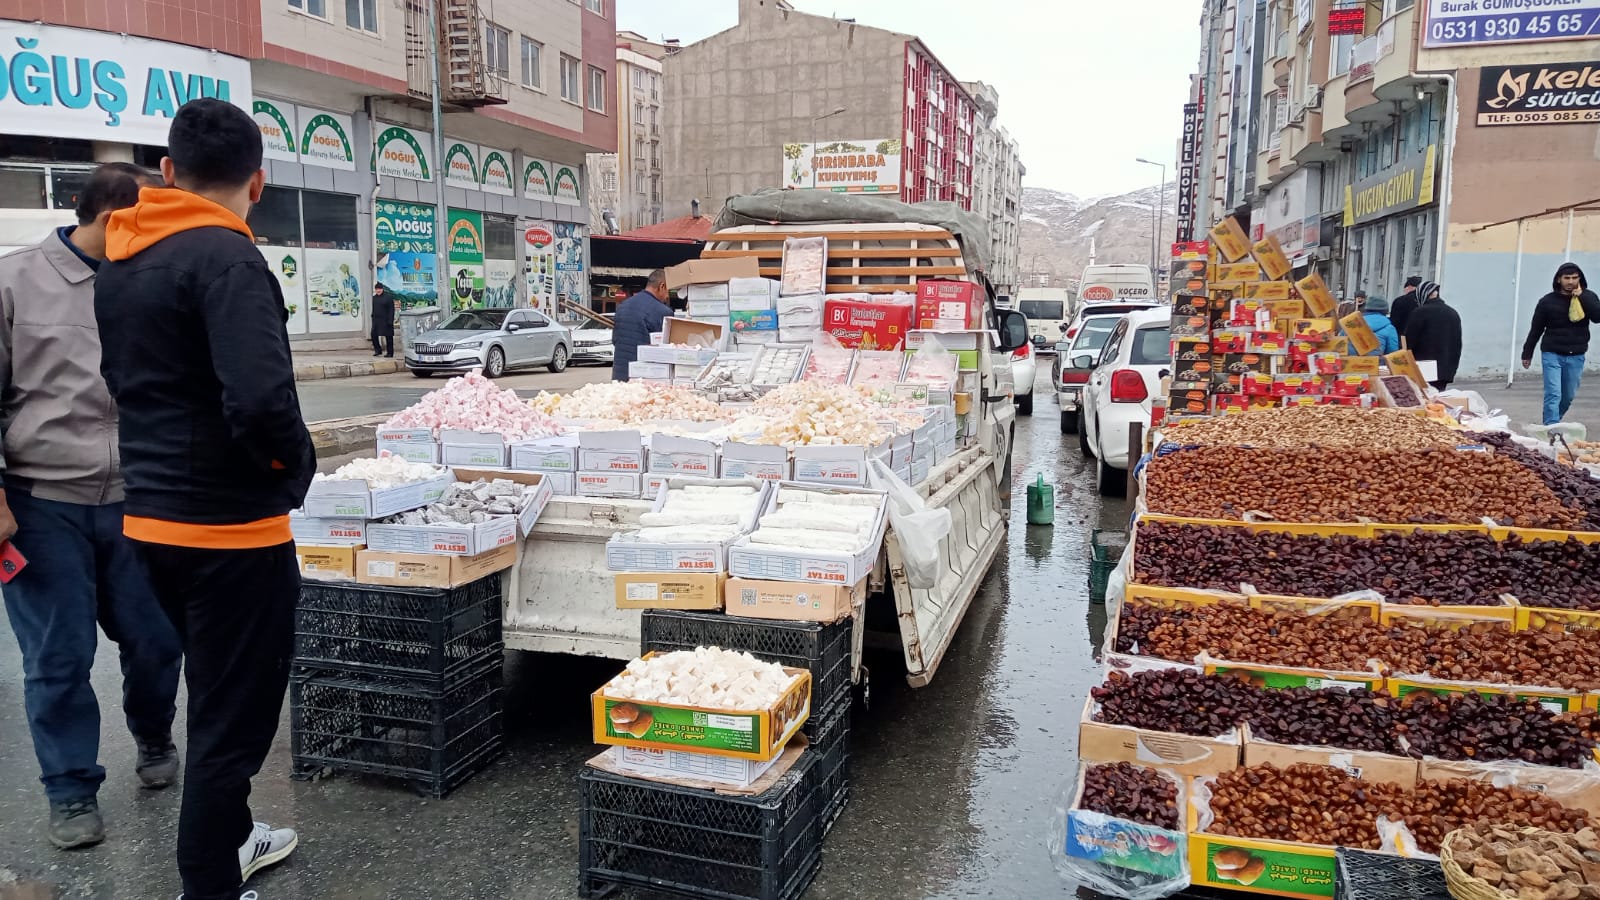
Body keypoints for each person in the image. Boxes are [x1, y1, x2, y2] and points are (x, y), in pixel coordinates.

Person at [94, 98, 313, 900]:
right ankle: (210, 886)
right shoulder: (227, 258)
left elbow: (134, 385)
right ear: (257, 182)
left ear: (167, 172)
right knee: (232, 724)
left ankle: (232, 840)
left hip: (150, 517)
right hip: (230, 534)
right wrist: (293, 473)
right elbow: (258, 400)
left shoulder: (124, 260)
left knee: (212, 694)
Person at [0, 163, 182, 851]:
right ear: (113, 222)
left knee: (158, 638)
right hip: (41, 503)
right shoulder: (15, 281)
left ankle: (155, 732)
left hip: (140, 499)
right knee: (59, 655)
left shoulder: (149, 283)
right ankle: (71, 791)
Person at [1521, 262, 1600, 425]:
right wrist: (1527, 353)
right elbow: (1536, 329)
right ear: (1559, 280)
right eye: (1567, 278)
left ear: (1580, 278)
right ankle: (1552, 428)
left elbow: (1597, 317)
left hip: (1576, 355)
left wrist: (1582, 296)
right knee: (1553, 394)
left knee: (1568, 396)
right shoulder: (1547, 301)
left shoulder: (1588, 297)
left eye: (1574, 278)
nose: (1570, 281)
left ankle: (1553, 421)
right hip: (1552, 353)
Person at [612, 268, 672, 381]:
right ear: (662, 286)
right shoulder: (662, 311)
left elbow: (615, 340)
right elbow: (665, 351)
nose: (667, 297)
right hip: (645, 378)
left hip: (619, 374)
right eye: (669, 291)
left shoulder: (622, 306)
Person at [1403, 281, 1463, 391]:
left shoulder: (1419, 313)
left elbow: (1408, 342)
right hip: (1445, 368)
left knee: (1424, 400)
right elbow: (1457, 344)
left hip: (1422, 368)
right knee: (1437, 401)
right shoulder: (1453, 313)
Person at [371, 281, 394, 357]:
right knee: (373, 335)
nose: (378, 290)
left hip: (386, 320)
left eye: (379, 289)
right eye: (377, 289)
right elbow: (374, 309)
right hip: (376, 320)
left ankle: (390, 353)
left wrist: (390, 320)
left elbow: (391, 310)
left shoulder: (388, 297)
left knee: (388, 337)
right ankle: (378, 350)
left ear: (382, 289)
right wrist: (373, 317)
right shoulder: (374, 298)